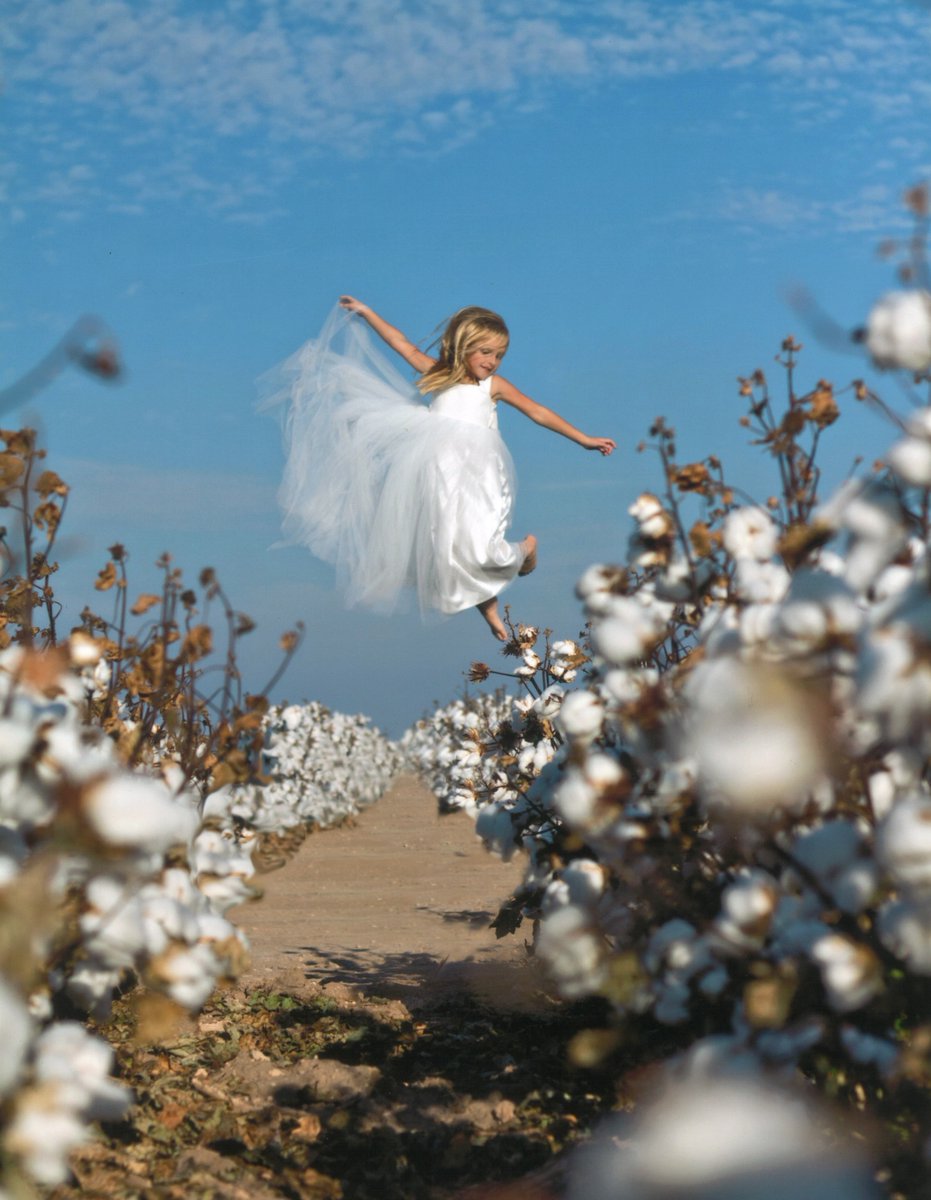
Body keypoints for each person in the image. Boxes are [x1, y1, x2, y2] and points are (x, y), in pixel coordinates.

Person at [260, 296, 615, 641]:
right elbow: (401, 344)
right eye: (486, 352)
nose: (493, 362)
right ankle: (488, 607)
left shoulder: (493, 387)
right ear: (463, 346)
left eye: (500, 355)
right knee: (445, 542)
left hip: (481, 472)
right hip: (437, 468)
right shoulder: (440, 373)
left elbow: (537, 411)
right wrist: (368, 313)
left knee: (478, 543)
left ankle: (525, 550)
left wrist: (583, 439)